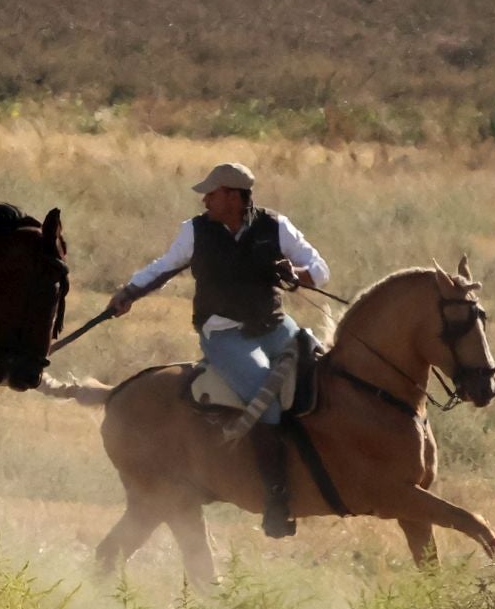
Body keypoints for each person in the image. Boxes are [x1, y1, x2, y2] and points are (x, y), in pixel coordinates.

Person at [107, 162, 329, 538]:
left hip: (273, 327)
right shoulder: (195, 232)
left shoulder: (275, 226)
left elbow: (318, 270)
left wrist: (295, 273)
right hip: (224, 335)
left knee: (321, 372)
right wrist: (129, 292)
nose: (206, 199)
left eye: (213, 192)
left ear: (234, 196)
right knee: (267, 397)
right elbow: (164, 268)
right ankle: (276, 502)